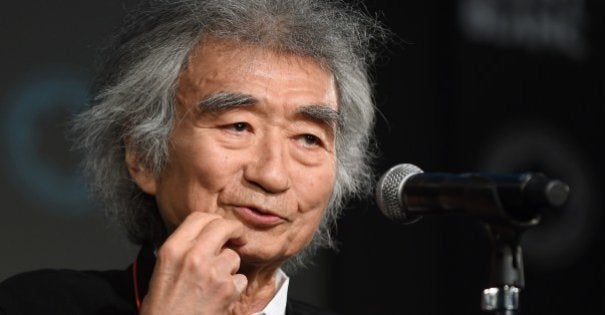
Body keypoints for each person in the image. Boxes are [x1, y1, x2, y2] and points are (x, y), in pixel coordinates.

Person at [0, 0, 387, 314]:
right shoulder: (35, 304)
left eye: (307, 138)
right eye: (238, 127)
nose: (271, 175)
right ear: (142, 156)